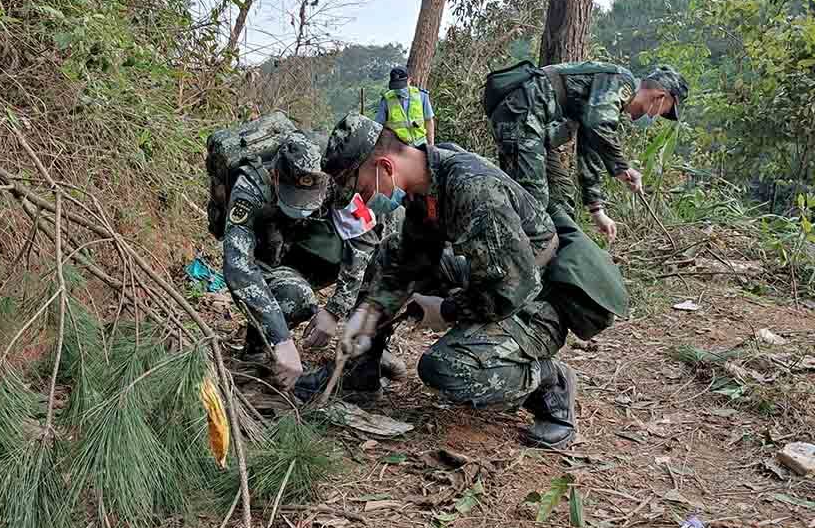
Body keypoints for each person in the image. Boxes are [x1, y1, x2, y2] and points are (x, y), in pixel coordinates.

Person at [296, 114, 629, 448]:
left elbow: (512, 289)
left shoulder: (471, 188)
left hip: (539, 298)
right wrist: (369, 314)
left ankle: (549, 382)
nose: (365, 200)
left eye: (363, 189)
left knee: (446, 368)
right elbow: (412, 259)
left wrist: (446, 310)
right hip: (496, 274)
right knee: (390, 254)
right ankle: (359, 372)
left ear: (385, 167)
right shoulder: (425, 182)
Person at [222, 130, 398, 390]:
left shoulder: (336, 178)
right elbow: (238, 267)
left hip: (306, 248)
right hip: (268, 256)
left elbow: (363, 240)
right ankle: (259, 347)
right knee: (295, 296)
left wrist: (334, 310)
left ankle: (363, 358)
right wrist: (281, 339)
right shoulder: (250, 187)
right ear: (276, 175)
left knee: (384, 254)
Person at [484, 61, 689, 241]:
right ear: (660, 97)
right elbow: (596, 125)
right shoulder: (621, 81)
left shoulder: (609, 103)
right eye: (665, 111)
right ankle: (505, 260)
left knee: (562, 194)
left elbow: (590, 147)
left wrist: (597, 210)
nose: (657, 116)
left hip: (532, 125)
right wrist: (622, 168)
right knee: (533, 202)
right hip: (521, 115)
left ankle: (559, 262)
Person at [376, 66, 435, 147]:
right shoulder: (386, 100)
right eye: (396, 86)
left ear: (409, 80)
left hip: (421, 144)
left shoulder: (421, 96)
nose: (399, 89)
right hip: (398, 147)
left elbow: (429, 121)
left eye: (401, 85)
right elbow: (378, 126)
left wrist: (431, 145)